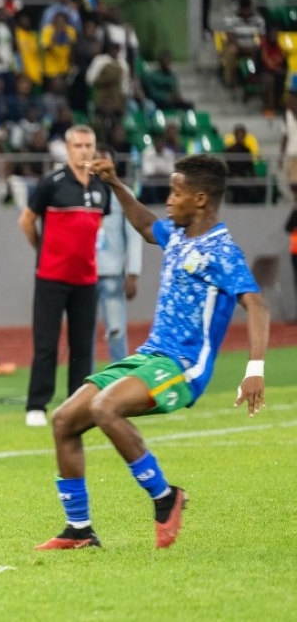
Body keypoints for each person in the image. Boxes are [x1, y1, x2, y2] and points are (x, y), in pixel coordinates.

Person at [37, 154, 268, 550]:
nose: (168, 199)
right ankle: (79, 530)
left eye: (175, 192)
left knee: (103, 408)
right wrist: (114, 183)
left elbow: (258, 306)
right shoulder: (177, 234)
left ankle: (166, 498)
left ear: (200, 199)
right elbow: (145, 225)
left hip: (182, 366)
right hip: (149, 357)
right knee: (64, 420)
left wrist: (255, 368)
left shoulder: (222, 252)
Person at [18, 125, 109, 427]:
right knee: (46, 343)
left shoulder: (101, 187)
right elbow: (27, 221)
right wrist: (41, 250)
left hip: (86, 279)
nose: (84, 150)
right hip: (51, 277)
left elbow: (99, 230)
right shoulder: (52, 183)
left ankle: (77, 404)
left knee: (82, 346)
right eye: (78, 145)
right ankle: (36, 405)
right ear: (68, 149)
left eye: (89, 145)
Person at [93, 145, 142, 362]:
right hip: (83, 275)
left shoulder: (124, 194)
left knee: (116, 331)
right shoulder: (79, 192)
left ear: (113, 165)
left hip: (112, 273)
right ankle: (82, 383)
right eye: (96, 160)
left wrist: (133, 273)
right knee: (82, 333)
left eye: (104, 161)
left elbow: (134, 235)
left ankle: (119, 384)